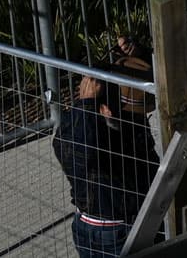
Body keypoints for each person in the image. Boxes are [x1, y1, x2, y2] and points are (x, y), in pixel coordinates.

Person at [53, 42, 155, 258]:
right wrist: (86, 106)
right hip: (112, 229)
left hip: (117, 226)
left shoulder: (116, 126)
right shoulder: (110, 126)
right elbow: (74, 153)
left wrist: (87, 105)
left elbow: (73, 152)